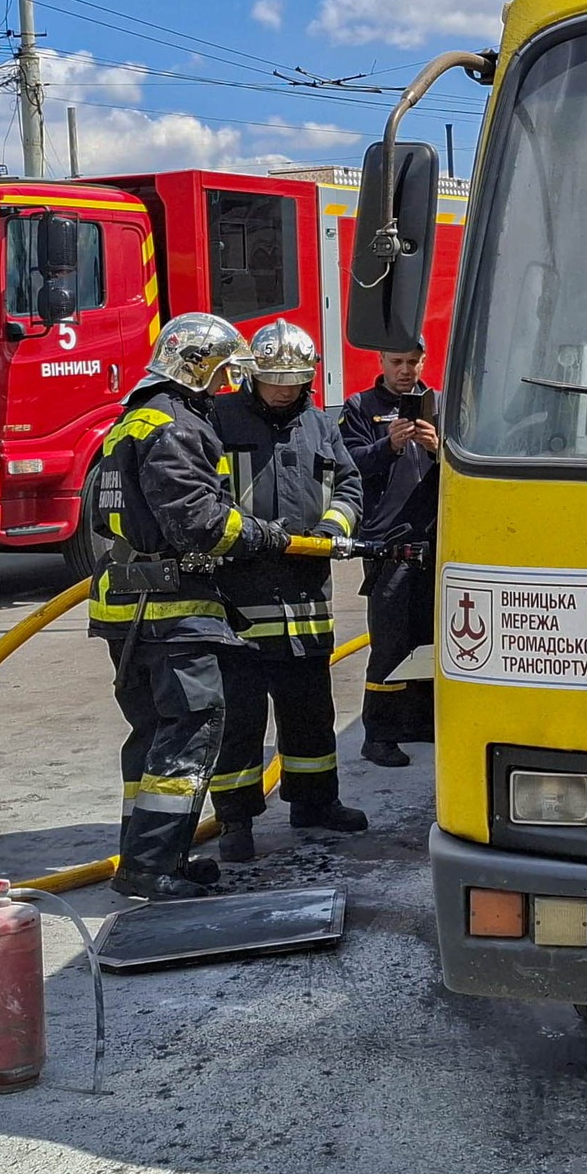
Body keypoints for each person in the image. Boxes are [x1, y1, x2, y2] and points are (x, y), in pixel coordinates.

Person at [89, 314, 292, 901]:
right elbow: (199, 523)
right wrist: (265, 535)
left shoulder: (130, 422)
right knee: (189, 730)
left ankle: (152, 858)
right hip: (170, 612)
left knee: (152, 734)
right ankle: (152, 868)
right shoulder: (174, 427)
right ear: (198, 366)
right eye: (224, 371)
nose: (229, 383)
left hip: (130, 610)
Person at [210, 320, 367, 863]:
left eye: (293, 380)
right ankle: (235, 821)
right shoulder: (219, 419)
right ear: (253, 375)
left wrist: (331, 530)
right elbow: (204, 496)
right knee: (240, 720)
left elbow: (348, 485)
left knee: (310, 711)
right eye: (273, 378)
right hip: (238, 599)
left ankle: (316, 803)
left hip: (305, 598)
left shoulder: (322, 425)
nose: (283, 388)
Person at [341, 345, 439, 766]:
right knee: (390, 645)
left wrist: (439, 447)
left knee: (432, 639)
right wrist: (388, 445)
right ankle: (378, 735)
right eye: (396, 362)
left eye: (412, 362)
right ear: (381, 362)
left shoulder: (440, 403)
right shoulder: (361, 407)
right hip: (389, 546)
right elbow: (346, 464)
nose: (405, 370)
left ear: (424, 361)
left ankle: (420, 723)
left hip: (435, 540)